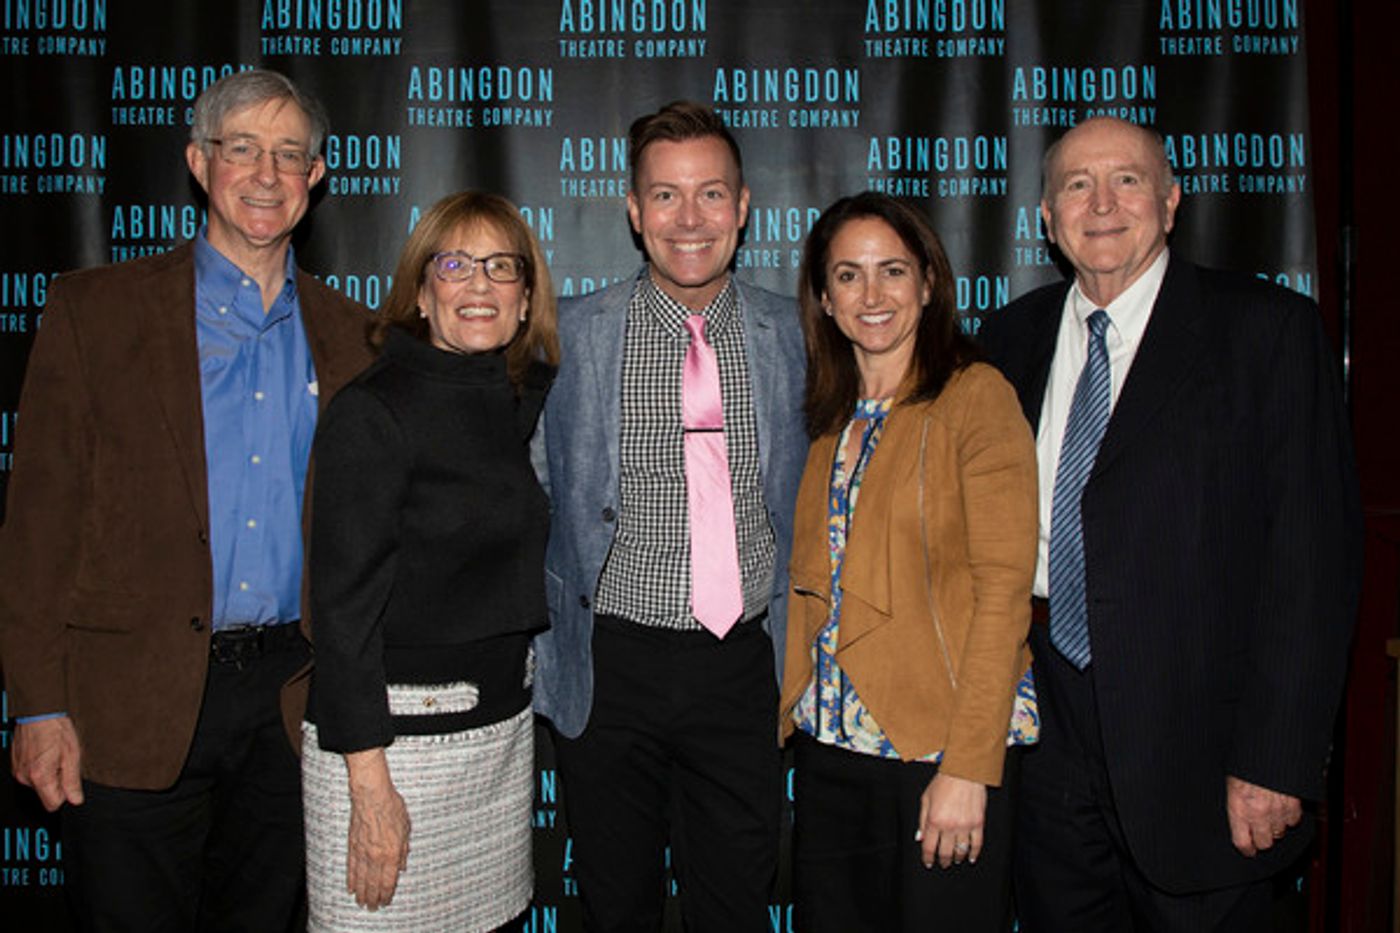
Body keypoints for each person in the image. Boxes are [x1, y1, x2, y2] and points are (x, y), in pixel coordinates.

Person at [0, 69, 374, 931]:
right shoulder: (96, 313)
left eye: (289, 154)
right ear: (199, 163)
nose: (267, 174)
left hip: (291, 703)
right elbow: (37, 529)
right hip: (127, 704)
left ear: (316, 175)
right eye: (242, 148)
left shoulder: (355, 337)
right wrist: (40, 705)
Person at [979, 116, 1361, 932]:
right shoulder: (1009, 340)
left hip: (1203, 745)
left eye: (1127, 180)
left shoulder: (1265, 331)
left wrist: (1276, 759)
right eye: (1076, 184)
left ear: (1172, 200)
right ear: (1046, 215)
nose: (1102, 204)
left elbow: (1313, 562)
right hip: (1044, 731)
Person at [530, 100, 808, 932]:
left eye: (711, 194)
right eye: (665, 195)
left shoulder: (798, 336)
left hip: (745, 665)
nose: (690, 219)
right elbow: (530, 488)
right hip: (608, 665)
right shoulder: (567, 336)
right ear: (633, 209)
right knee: (616, 905)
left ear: (743, 206)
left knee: (736, 906)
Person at [300, 190, 558, 931]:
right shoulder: (371, 411)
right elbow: (342, 614)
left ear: (525, 298)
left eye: (501, 267)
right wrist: (369, 786)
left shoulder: (513, 401)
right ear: (420, 291)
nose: (479, 284)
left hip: (497, 741)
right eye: (455, 265)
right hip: (392, 752)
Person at [780, 192, 1037, 932]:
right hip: (833, 750)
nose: (872, 294)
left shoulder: (976, 397)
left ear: (927, 283)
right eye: (848, 275)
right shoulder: (830, 413)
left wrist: (967, 766)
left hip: (937, 748)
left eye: (892, 270)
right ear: (823, 298)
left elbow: (1004, 595)